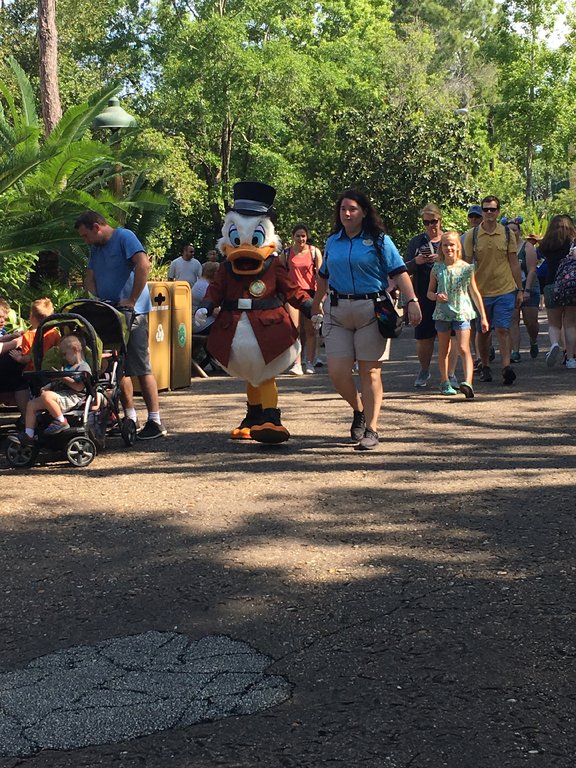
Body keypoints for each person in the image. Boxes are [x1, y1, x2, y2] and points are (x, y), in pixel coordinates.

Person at [311, 189, 422, 451]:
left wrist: (412, 301)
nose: (347, 214)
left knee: (370, 371)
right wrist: (316, 306)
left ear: (363, 212)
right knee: (337, 373)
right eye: (343, 209)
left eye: (352, 209)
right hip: (337, 310)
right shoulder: (332, 241)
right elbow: (323, 277)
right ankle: (358, 409)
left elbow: (400, 272)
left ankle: (371, 429)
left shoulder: (380, 240)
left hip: (372, 310)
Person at [75, 210, 166, 439]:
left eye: (86, 235)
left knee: (140, 365)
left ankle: (155, 421)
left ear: (97, 227)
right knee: (119, 366)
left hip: (133, 313)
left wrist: (132, 299)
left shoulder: (125, 237)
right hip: (109, 313)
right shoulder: (96, 248)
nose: (85, 241)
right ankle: (130, 418)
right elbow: (90, 276)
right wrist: (95, 300)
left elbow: (143, 265)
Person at [463, 195, 524, 386]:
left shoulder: (507, 233)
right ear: (482, 211)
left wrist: (520, 289)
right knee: (483, 330)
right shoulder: (472, 235)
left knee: (502, 328)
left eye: (493, 209)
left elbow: (514, 263)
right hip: (480, 291)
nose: (489, 212)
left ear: (498, 212)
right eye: (486, 209)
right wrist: (464, 290)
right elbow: (466, 264)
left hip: (505, 289)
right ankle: (485, 365)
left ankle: (506, 367)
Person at [427, 232, 488, 398]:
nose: (449, 248)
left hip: (462, 311)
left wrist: (483, 316)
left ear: (458, 247)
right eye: (445, 245)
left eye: (452, 244)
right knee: (444, 348)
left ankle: (468, 382)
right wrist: (436, 296)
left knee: (463, 347)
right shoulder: (437, 268)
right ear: (441, 248)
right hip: (442, 313)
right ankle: (445, 381)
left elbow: (474, 292)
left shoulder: (466, 268)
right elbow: (429, 293)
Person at [404, 204, 459, 388]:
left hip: (448, 295)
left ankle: (450, 374)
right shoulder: (416, 242)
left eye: (433, 221)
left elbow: (462, 264)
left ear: (440, 220)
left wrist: (442, 259)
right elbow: (403, 268)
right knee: (423, 337)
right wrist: (417, 261)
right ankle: (424, 369)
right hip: (424, 295)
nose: (430, 226)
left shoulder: (449, 239)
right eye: (426, 222)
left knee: (450, 336)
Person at [10, 335, 90, 445]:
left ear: (75, 349)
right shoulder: (67, 367)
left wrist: (63, 378)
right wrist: (47, 386)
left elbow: (79, 387)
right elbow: (58, 382)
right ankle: (29, 434)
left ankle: (61, 421)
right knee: (32, 404)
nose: (64, 357)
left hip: (74, 397)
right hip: (61, 395)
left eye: (65, 354)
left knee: (47, 396)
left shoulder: (83, 367)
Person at [0, 298, 59, 416]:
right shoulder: (55, 333)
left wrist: (19, 357)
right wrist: (15, 342)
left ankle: (27, 417)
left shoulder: (29, 335)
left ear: (32, 317)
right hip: (49, 370)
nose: (3, 321)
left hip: (32, 371)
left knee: (19, 379)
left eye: (4, 318)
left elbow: (28, 356)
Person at [281, 223, 323, 375]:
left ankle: (310, 362)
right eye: (298, 236)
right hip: (292, 294)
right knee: (295, 328)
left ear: (307, 237)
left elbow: (321, 275)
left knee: (310, 330)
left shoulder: (314, 252)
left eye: (303, 236)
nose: (301, 239)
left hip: (310, 293)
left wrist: (321, 298)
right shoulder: (286, 253)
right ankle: (296, 363)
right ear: (293, 237)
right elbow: (280, 274)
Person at [538, 215, 576, 367]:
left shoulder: (545, 245)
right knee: (571, 324)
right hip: (570, 286)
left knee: (554, 324)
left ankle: (554, 344)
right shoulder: (572, 244)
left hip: (551, 285)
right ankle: (571, 359)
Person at [505, 217, 540, 361]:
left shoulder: (527, 247)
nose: (512, 233)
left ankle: (533, 340)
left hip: (528, 287)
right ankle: (515, 351)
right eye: (509, 230)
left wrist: (527, 290)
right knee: (513, 320)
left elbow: (532, 270)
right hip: (511, 288)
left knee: (530, 322)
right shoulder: (504, 247)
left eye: (514, 230)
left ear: (519, 231)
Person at [192, 261, 220, 333]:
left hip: (202, 321)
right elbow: (215, 309)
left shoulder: (203, 283)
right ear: (215, 274)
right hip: (201, 324)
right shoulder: (203, 286)